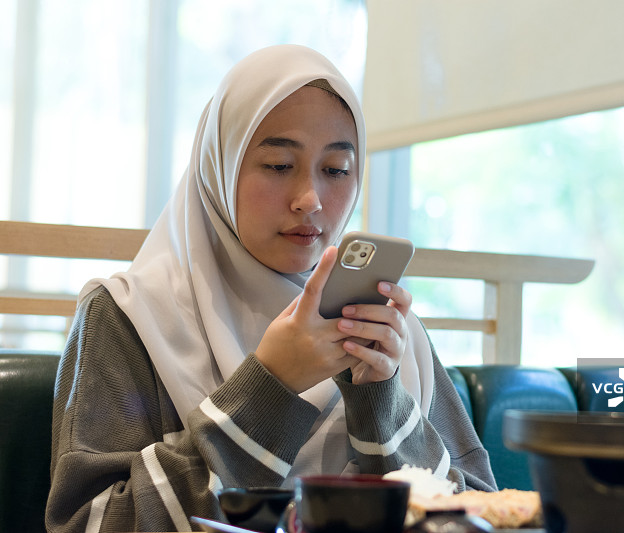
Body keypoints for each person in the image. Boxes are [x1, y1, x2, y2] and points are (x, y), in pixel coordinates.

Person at [46, 45, 496, 532]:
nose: (310, 200)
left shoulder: (385, 330)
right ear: (219, 166)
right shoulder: (130, 315)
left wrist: (382, 401)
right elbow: (90, 524)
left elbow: (487, 514)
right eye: (279, 165)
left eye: (336, 170)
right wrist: (270, 385)